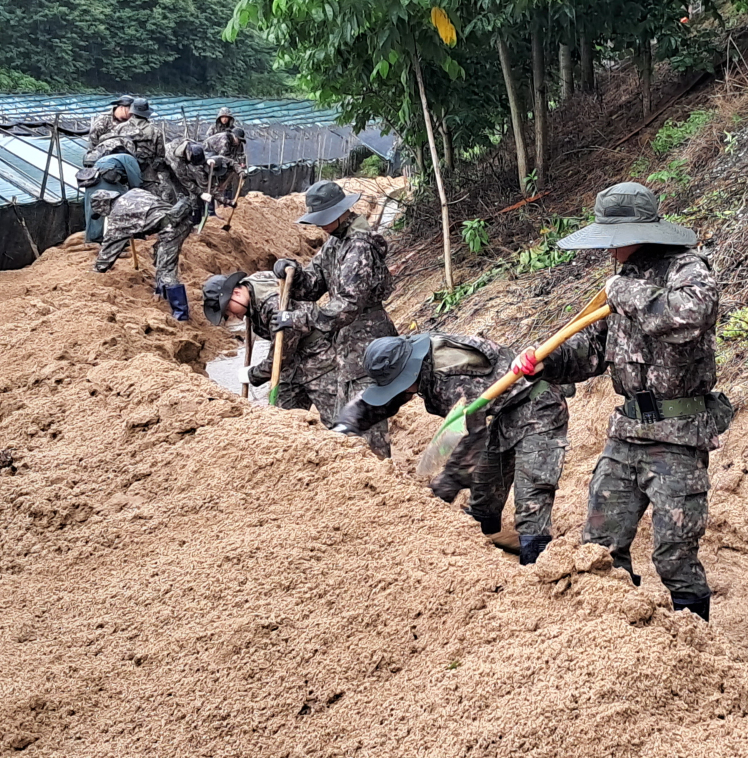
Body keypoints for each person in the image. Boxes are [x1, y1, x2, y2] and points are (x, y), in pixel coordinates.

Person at [509, 182, 731, 619]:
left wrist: (623, 293)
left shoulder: (687, 270)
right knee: (601, 546)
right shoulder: (621, 282)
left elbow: (686, 317)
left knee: (674, 557)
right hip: (626, 434)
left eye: (615, 236)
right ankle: (619, 633)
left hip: (678, 440)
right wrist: (545, 363)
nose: (608, 247)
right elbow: (589, 351)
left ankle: (698, 649)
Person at [334, 334, 570, 563]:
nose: (403, 390)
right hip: (499, 410)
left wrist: (437, 494)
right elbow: (388, 396)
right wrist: (346, 425)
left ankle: (536, 566)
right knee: (486, 489)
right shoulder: (406, 357)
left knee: (531, 493)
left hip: (538, 403)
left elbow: (471, 440)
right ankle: (485, 556)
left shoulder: (452, 379)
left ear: (411, 372)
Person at [272, 181, 396, 456]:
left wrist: (301, 319)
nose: (321, 225)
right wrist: (292, 271)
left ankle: (380, 485)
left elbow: (349, 304)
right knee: (348, 425)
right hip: (345, 345)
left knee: (367, 424)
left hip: (369, 345)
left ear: (342, 211)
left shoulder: (360, 246)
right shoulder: (336, 243)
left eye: (325, 219)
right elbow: (313, 285)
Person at [202, 271, 341, 421]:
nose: (231, 316)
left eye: (228, 310)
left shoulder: (272, 305)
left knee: (337, 422)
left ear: (236, 293)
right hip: (292, 365)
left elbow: (281, 354)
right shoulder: (250, 289)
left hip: (319, 357)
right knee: (281, 419)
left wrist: (253, 374)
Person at [91, 188, 194, 320]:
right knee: (159, 254)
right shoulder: (134, 192)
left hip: (171, 228)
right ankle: (162, 293)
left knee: (166, 269)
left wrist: (97, 269)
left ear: (102, 207)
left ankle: (181, 314)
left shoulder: (117, 216)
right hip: (180, 218)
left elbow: (110, 247)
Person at [77, 144, 142, 244]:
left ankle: (93, 239)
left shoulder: (103, 158)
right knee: (121, 207)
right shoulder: (129, 158)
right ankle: (121, 240)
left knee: (93, 210)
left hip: (91, 181)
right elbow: (135, 180)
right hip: (109, 181)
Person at [113, 97, 168, 198]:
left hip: (124, 176)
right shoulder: (155, 131)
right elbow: (160, 156)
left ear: (132, 110)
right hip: (148, 177)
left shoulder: (119, 128)